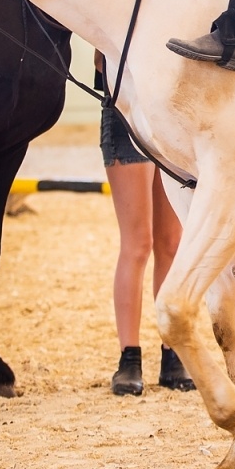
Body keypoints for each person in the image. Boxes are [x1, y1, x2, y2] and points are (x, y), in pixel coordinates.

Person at [95, 52, 194, 396]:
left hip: (168, 115)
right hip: (125, 114)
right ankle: (129, 357)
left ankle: (172, 352)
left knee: (171, 243)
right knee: (138, 243)